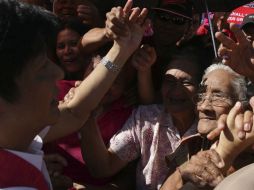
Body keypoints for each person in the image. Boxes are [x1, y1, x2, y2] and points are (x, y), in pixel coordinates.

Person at [0, 0, 149, 189]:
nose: (59, 73)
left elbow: (75, 111)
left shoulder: (15, 133)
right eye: (42, 68)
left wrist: (122, 49)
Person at [79, 44, 208, 190]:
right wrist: (87, 115)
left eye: (187, 82)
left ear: (202, 89)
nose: (176, 90)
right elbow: (103, 167)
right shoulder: (146, 118)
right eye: (169, 81)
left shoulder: (211, 126)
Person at [160, 63, 249, 189]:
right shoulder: (189, 146)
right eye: (201, 95)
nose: (203, 107)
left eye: (218, 96)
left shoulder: (247, 150)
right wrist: (182, 172)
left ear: (240, 105)